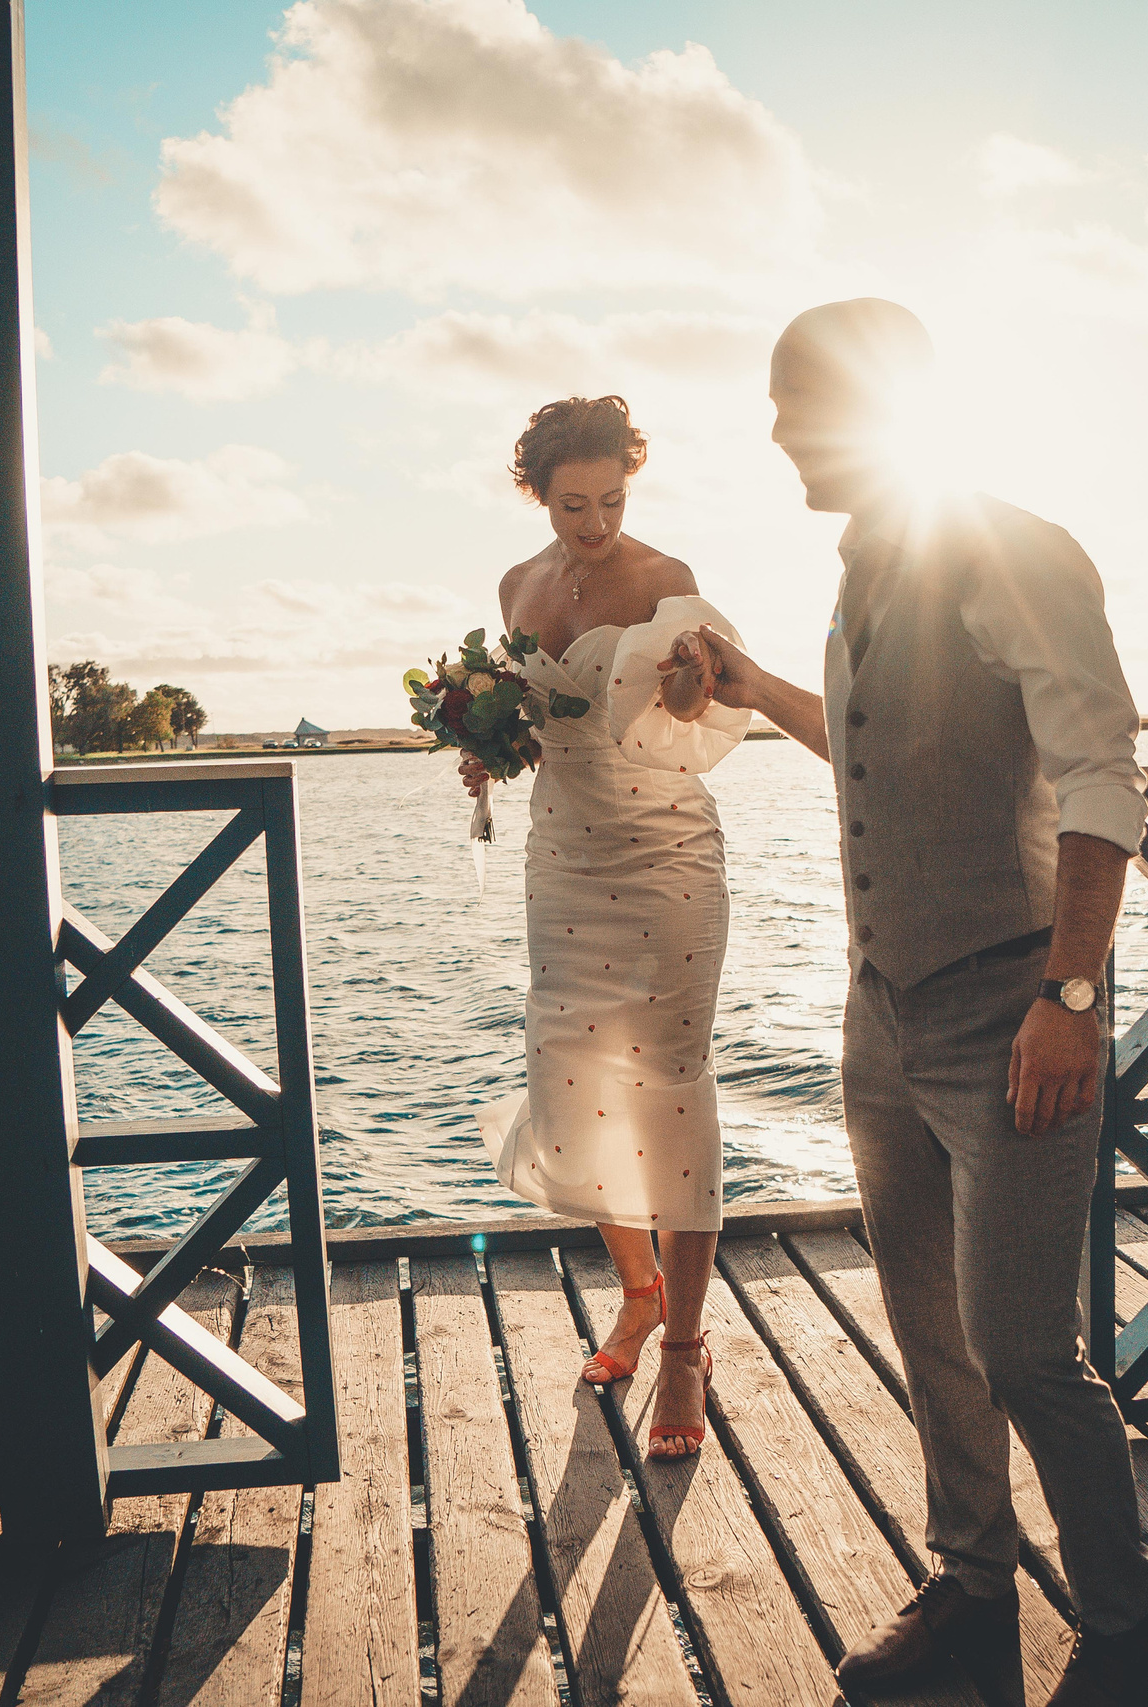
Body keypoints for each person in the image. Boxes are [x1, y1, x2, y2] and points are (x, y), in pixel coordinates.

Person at [690, 303, 1148, 1704]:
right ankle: (973, 1585)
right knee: (931, 1331)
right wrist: (748, 682)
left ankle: (1126, 1614)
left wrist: (1072, 995)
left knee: (1027, 1346)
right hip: (879, 1010)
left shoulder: (1010, 546)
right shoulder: (862, 573)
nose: (778, 429)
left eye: (795, 403)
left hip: (1011, 1010)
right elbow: (861, 743)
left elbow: (1103, 774)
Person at [469, 394, 751, 1462]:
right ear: (536, 493)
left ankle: (683, 1346)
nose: (594, 525)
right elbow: (539, 721)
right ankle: (635, 1293)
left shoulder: (663, 579)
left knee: (669, 1089)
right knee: (576, 1081)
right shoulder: (517, 585)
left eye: (612, 501)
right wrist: (485, 741)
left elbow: (696, 711)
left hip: (663, 857)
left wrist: (687, 685)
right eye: (573, 504)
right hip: (564, 859)